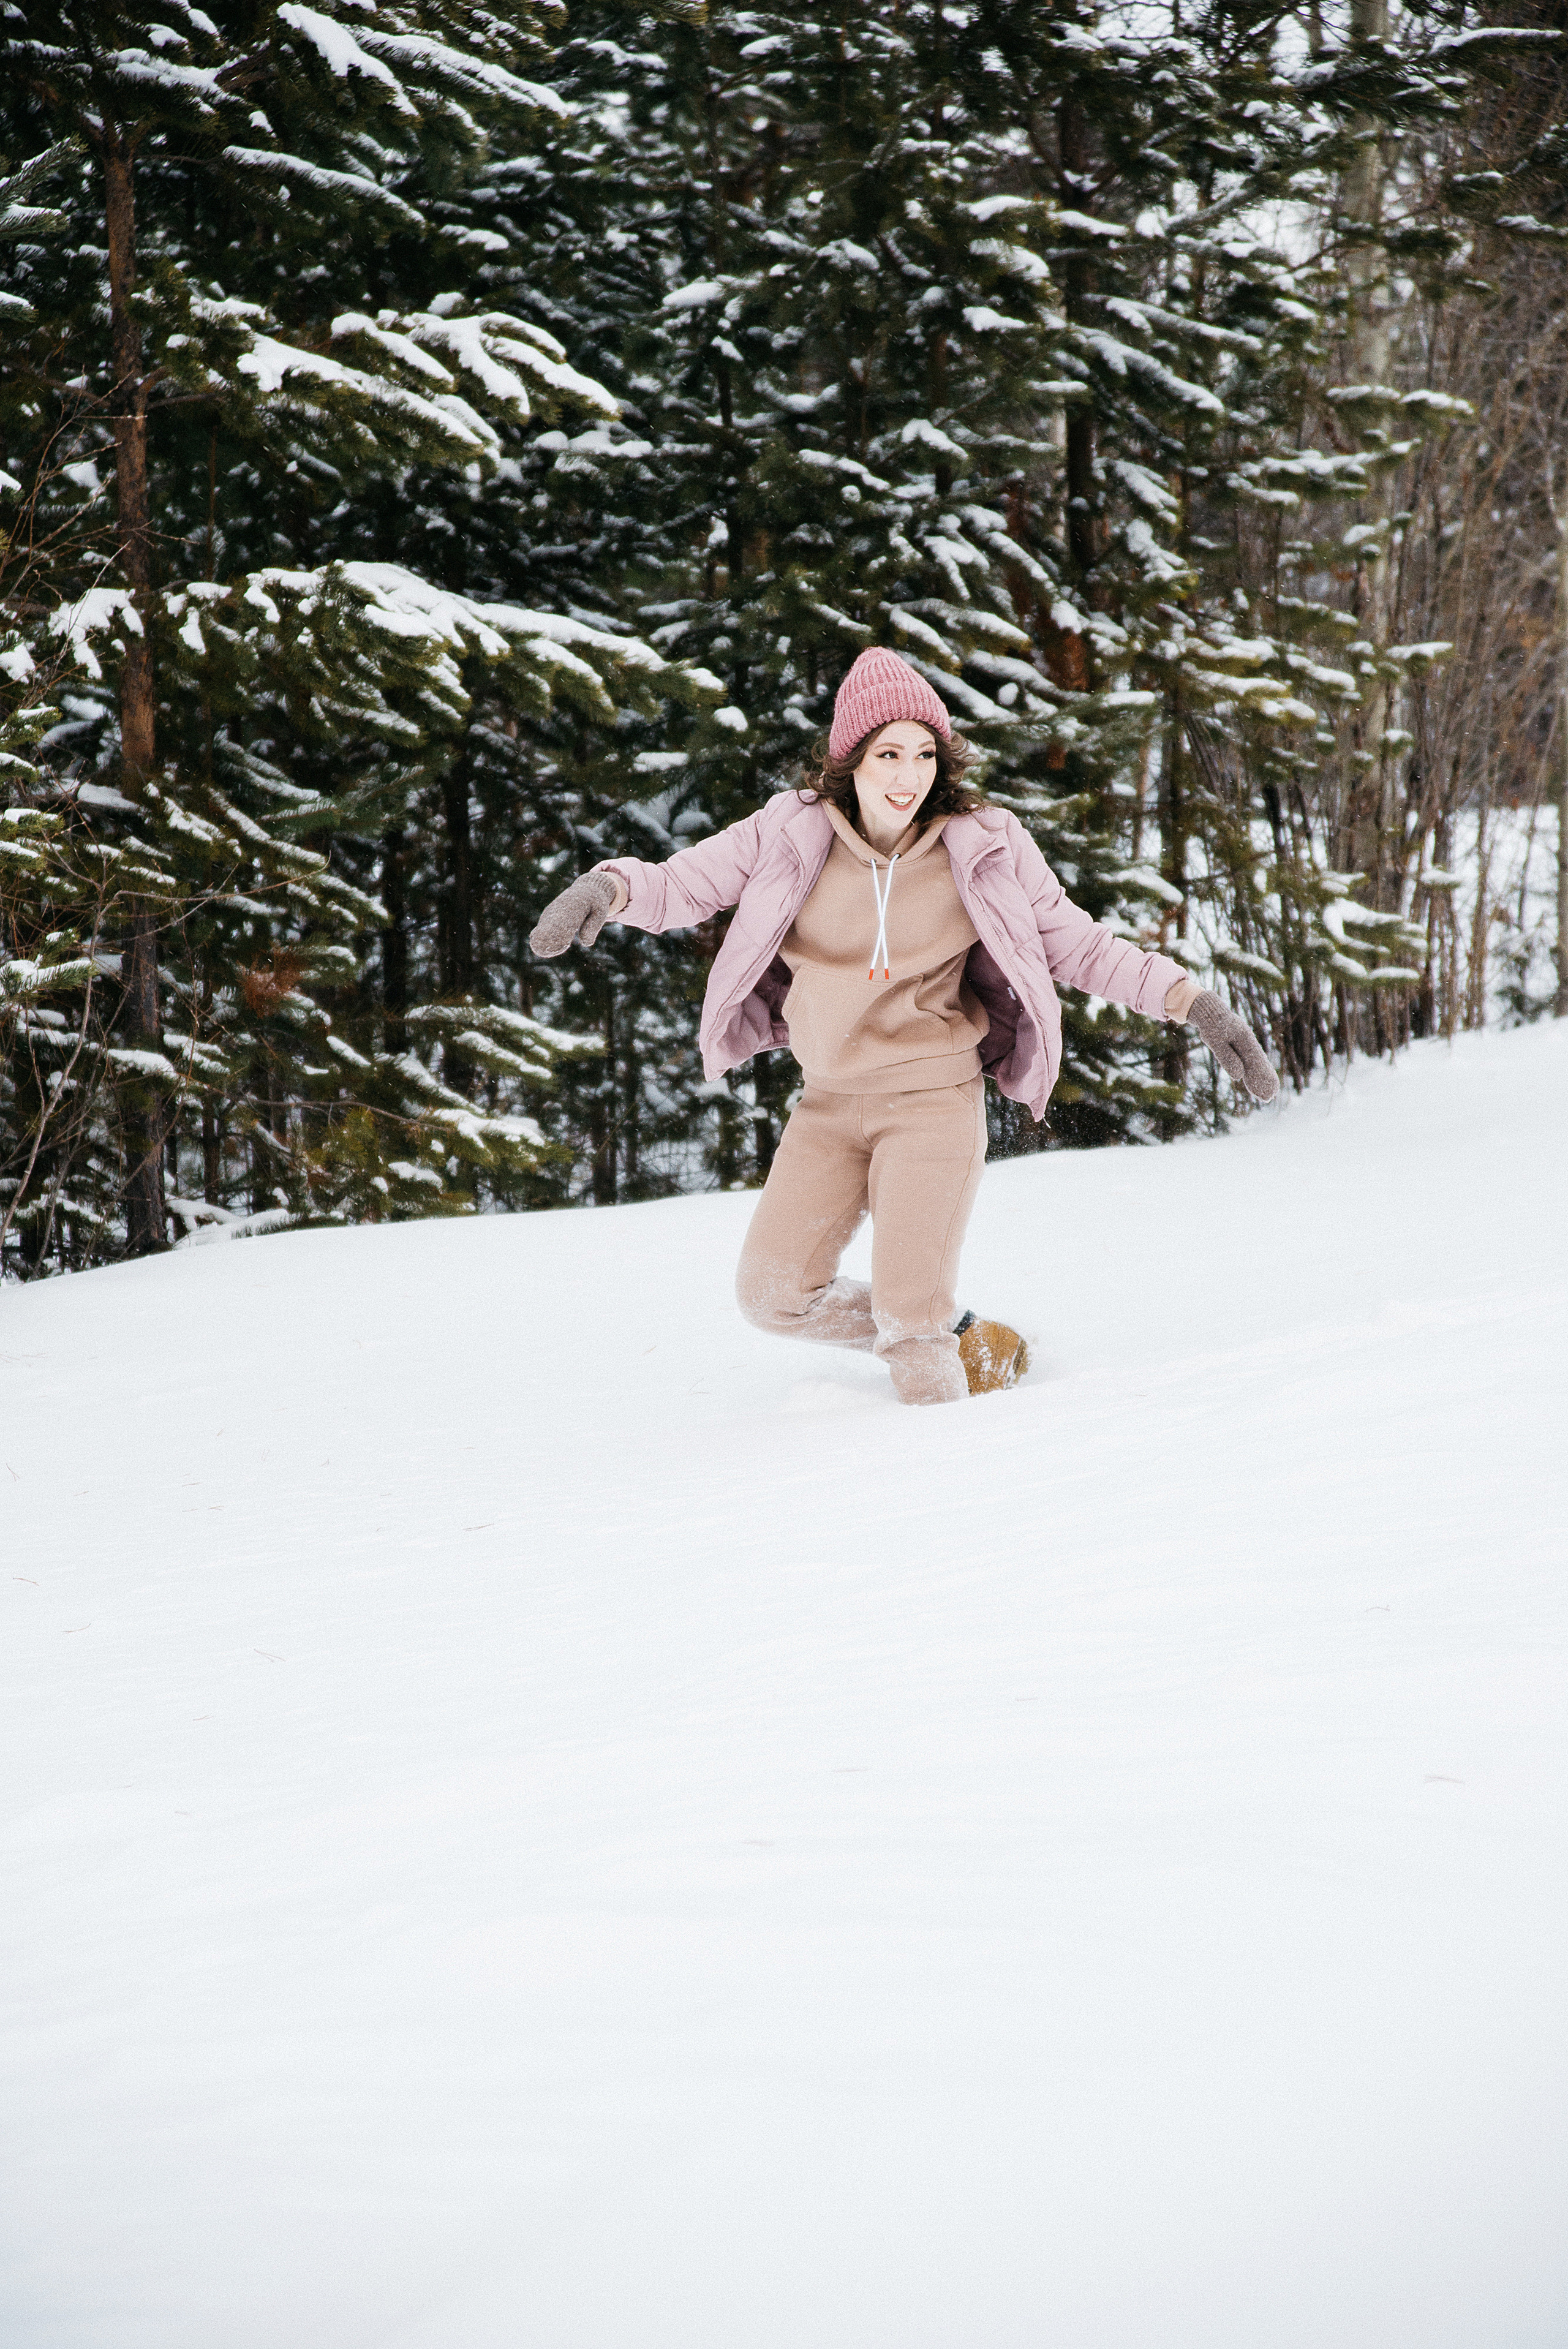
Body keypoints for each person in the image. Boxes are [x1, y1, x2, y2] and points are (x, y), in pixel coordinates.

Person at [530, 647, 1276, 1406]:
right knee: (773, 1292)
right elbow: (683, 884)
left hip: (932, 1102)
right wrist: (612, 886)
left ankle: (937, 1456)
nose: (907, 776)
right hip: (826, 1104)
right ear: (849, 760)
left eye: (923, 754)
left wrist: (1192, 1004)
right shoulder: (787, 832)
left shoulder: (983, 843)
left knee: (910, 1330)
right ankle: (967, 1337)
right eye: (888, 753)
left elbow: (1076, 945)